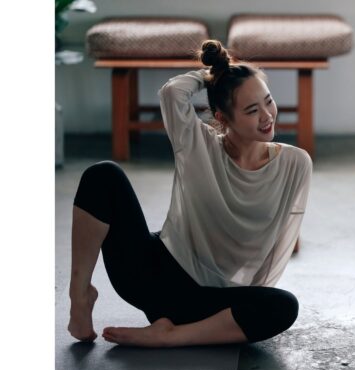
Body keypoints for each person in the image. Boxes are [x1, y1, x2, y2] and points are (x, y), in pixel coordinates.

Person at [66, 40, 312, 348]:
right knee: (102, 176)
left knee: (283, 306)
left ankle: (171, 336)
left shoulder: (295, 163)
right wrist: (213, 73)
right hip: (152, 276)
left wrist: (248, 299)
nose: (267, 116)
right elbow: (172, 93)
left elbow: (279, 241)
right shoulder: (198, 145)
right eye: (252, 110)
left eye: (269, 101)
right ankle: (80, 294)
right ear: (222, 118)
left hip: (209, 301)